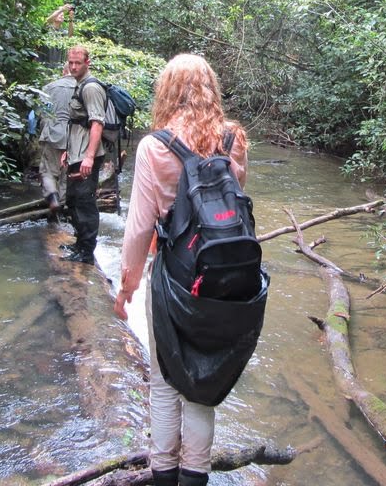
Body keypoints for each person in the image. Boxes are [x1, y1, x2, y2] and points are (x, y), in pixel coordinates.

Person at [114, 54, 248, 486]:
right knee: (202, 387)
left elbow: (138, 227)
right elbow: (228, 211)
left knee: (165, 381)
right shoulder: (233, 141)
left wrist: (127, 285)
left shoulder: (155, 146)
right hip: (225, 280)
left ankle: (164, 475)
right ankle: (196, 477)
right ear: (211, 87)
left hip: (174, 277)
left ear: (167, 90)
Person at [61, 45, 106, 263]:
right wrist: (67, 152)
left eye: (78, 63)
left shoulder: (91, 88)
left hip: (87, 156)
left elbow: (97, 123)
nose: (73, 66)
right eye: (70, 62)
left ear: (87, 63)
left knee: (85, 203)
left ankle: (87, 253)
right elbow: (77, 124)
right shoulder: (78, 85)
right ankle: (79, 244)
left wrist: (89, 157)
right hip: (76, 154)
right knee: (73, 200)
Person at [36, 64, 76, 221]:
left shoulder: (48, 88)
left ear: (63, 72)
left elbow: (43, 114)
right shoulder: (81, 87)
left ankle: (53, 198)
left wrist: (45, 131)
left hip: (53, 135)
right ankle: (63, 207)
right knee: (68, 174)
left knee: (48, 171)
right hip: (74, 137)